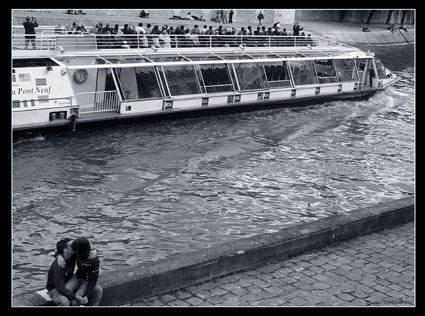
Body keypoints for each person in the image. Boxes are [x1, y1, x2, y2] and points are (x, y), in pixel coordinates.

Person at [46, 238, 86, 306]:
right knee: (64, 302)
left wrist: (95, 251)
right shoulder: (58, 266)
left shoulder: (73, 255)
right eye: (72, 245)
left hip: (68, 281)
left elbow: (85, 247)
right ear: (65, 250)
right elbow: (60, 288)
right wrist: (75, 297)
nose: (75, 246)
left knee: (96, 290)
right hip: (55, 288)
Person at [69, 238, 103, 306]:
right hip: (77, 276)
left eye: (76, 251)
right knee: (66, 290)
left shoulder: (94, 261)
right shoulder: (78, 252)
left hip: (86, 281)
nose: (74, 252)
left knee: (78, 298)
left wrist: (86, 296)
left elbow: (92, 281)